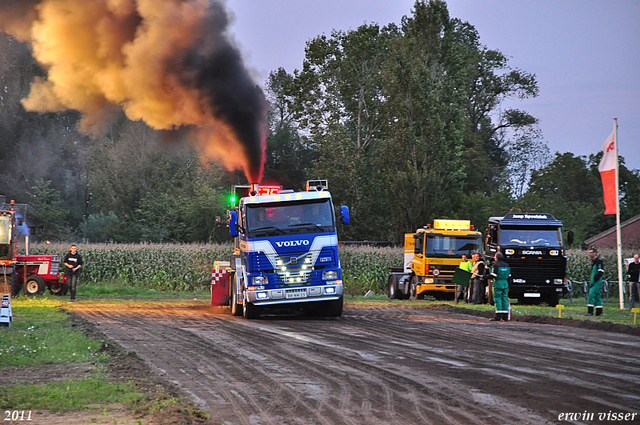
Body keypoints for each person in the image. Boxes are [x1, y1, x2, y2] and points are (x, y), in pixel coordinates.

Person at [490, 252, 511, 321]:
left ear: (496, 258)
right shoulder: (507, 265)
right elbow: (509, 276)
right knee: (504, 299)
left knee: (497, 299)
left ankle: (498, 316)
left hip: (498, 283)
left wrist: (484, 276)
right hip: (505, 283)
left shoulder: (496, 265)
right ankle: (505, 316)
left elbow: (493, 275)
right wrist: (509, 286)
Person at [587, 247, 604, 316]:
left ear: (595, 253)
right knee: (597, 296)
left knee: (591, 295)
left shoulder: (598, 262)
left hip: (596, 282)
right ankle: (599, 311)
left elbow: (601, 271)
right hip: (593, 281)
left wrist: (595, 278)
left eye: (591, 252)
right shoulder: (593, 262)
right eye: (589, 252)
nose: (589, 254)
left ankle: (590, 311)